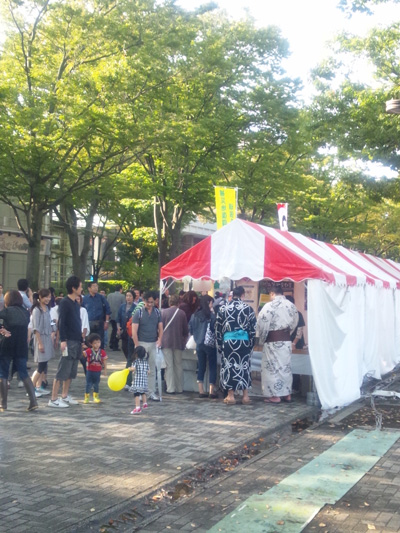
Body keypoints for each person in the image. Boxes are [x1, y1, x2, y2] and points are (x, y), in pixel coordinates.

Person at [257, 284, 299, 404]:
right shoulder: (291, 306)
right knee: (285, 367)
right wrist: (287, 333)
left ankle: (275, 395)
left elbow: (262, 323)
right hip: (286, 340)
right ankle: (287, 394)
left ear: (272, 294)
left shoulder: (269, 306)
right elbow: (295, 322)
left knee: (272, 369)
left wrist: (262, 338)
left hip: (272, 341)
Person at [215, 286, 256, 405]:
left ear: (232, 295)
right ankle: (245, 396)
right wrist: (251, 344)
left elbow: (218, 328)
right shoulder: (248, 309)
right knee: (244, 367)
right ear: (243, 295)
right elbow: (253, 329)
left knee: (229, 367)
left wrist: (220, 345)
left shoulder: (223, 308)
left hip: (228, 342)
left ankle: (231, 395)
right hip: (244, 342)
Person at [48, 275, 83, 408]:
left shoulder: (75, 303)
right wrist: (63, 340)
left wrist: (81, 340)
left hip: (76, 340)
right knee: (62, 369)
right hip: (68, 341)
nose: (81, 289)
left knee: (71, 371)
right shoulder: (65, 303)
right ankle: (53, 398)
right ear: (73, 288)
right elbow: (62, 322)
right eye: (80, 286)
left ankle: (65, 395)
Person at [0, 290, 37, 411]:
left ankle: (3, 404)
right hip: (21, 345)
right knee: (23, 373)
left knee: (3, 373)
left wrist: (2, 329)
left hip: (7, 343)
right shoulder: (25, 313)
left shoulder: (6, 312)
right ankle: (33, 401)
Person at [131, 290, 163, 401]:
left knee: (152, 368)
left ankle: (150, 392)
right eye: (148, 302)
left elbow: (160, 327)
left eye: (151, 302)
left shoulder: (157, 312)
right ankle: (139, 392)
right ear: (144, 301)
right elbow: (134, 331)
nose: (149, 304)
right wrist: (137, 345)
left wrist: (160, 339)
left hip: (153, 343)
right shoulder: (138, 312)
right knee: (139, 369)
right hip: (141, 343)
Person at [189, 294, 218, 399]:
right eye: (211, 302)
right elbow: (215, 330)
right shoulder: (212, 316)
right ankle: (211, 391)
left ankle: (201, 390)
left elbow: (191, 330)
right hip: (210, 344)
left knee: (201, 366)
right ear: (208, 303)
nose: (212, 305)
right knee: (212, 366)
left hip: (199, 344)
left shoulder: (194, 316)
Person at [161, 294, 189, 394]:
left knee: (169, 366)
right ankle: (179, 388)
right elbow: (185, 330)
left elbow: (160, 328)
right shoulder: (182, 313)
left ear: (170, 302)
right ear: (178, 303)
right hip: (178, 342)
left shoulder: (163, 312)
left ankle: (170, 388)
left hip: (166, 342)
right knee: (178, 365)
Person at [31, 289, 54, 396]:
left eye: (49, 297)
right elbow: (36, 329)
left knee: (44, 364)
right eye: (46, 297)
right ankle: (31, 389)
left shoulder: (47, 309)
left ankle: (38, 386)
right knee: (41, 365)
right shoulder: (37, 310)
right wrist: (40, 343)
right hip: (41, 339)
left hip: (47, 338)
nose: (48, 299)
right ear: (40, 297)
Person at [82, 282, 111, 349]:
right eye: (94, 286)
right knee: (89, 341)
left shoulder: (101, 298)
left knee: (100, 341)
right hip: (89, 323)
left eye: (97, 286)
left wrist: (106, 321)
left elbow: (107, 309)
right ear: (89, 288)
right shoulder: (85, 299)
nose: (96, 288)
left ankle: (100, 354)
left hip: (99, 322)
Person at [83, 333, 107, 404]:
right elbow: (83, 354)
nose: (97, 344)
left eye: (98, 342)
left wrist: (105, 370)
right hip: (90, 371)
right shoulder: (89, 351)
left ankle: (96, 397)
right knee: (88, 384)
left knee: (96, 384)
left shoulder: (102, 352)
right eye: (95, 343)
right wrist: (84, 347)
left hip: (98, 371)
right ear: (91, 344)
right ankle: (86, 397)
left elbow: (104, 361)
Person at [129, 345, 150, 414]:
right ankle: (145, 404)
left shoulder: (136, 361)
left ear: (136, 354)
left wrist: (129, 369)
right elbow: (149, 372)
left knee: (136, 394)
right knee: (143, 392)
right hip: (144, 381)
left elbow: (133, 369)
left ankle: (137, 407)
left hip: (137, 382)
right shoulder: (146, 362)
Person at [107, 285, 125, 351]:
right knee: (117, 330)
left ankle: (111, 343)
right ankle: (115, 345)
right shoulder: (122, 296)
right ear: (120, 289)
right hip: (119, 316)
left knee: (113, 329)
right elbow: (124, 306)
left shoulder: (109, 295)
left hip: (111, 315)